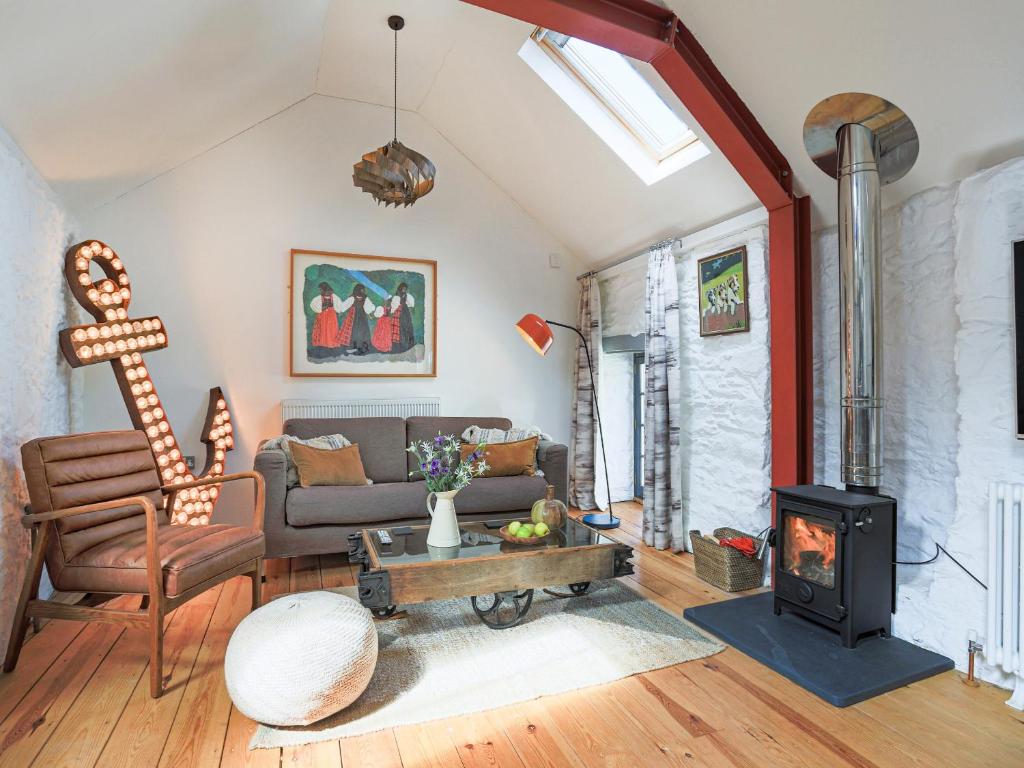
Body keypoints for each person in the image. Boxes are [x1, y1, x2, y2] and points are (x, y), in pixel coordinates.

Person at [371, 282, 416, 353]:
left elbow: (411, 303)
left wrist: (411, 307)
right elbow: (393, 306)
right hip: (398, 313)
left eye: (405, 289)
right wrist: (392, 311)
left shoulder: (407, 296)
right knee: (398, 328)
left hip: (405, 311)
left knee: (407, 326)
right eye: (403, 288)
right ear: (400, 288)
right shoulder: (396, 297)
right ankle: (398, 345)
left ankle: (408, 343)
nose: (404, 290)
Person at [336, 283, 376, 354]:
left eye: (363, 290)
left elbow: (368, 308)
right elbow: (345, 305)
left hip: (362, 317)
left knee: (362, 331)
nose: (363, 291)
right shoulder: (352, 297)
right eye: (362, 290)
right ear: (358, 290)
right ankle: (352, 347)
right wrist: (341, 311)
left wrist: (370, 313)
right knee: (352, 331)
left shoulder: (365, 298)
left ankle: (363, 347)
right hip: (352, 317)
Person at [309, 282, 342, 349]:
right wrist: (320, 309)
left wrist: (339, 310)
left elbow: (339, 305)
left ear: (325, 289)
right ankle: (322, 343)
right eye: (320, 290)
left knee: (331, 329)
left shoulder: (334, 297)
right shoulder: (319, 298)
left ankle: (331, 343)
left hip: (331, 316)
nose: (320, 291)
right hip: (322, 316)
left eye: (321, 289)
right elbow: (312, 305)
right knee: (323, 329)